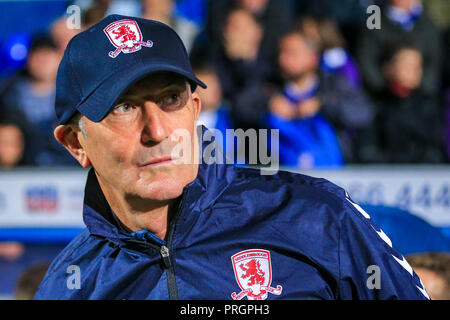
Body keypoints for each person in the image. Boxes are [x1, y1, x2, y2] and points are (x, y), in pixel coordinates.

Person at [35, 14, 429, 300]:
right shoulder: (71, 285)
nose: (157, 131)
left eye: (170, 99)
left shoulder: (319, 216)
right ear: (75, 143)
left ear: (194, 107)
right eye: (122, 107)